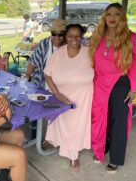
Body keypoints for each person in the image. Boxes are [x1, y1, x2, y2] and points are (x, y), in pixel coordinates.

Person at [89, 3, 136, 174]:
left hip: (121, 82)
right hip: (99, 81)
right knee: (99, 117)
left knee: (118, 120)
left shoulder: (130, 37)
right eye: (109, 14)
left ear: (122, 17)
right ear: (104, 17)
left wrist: (134, 88)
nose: (112, 17)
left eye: (116, 14)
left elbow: (135, 63)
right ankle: (101, 149)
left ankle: (116, 158)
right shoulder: (97, 36)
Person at [43, 24, 94, 171]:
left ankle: (73, 154)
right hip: (62, 96)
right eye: (70, 35)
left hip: (83, 96)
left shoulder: (89, 52)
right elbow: (47, 74)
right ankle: (59, 144)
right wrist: (57, 94)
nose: (74, 39)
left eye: (78, 35)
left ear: (82, 36)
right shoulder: (58, 53)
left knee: (77, 127)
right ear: (66, 37)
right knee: (62, 124)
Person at [25, 19, 67, 88]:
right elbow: (33, 61)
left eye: (61, 34)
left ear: (65, 34)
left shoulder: (69, 46)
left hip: (61, 87)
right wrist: (28, 75)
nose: (57, 37)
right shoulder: (44, 44)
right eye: (54, 34)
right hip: (42, 84)